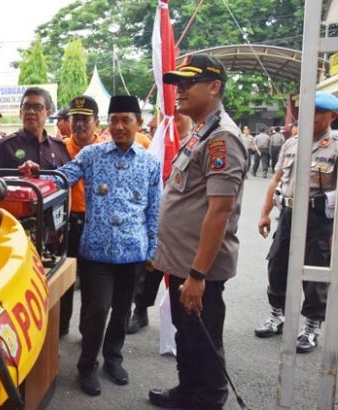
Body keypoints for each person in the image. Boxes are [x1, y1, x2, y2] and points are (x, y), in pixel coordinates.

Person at [21, 95, 160, 395]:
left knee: (122, 310)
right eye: (116, 120)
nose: (121, 126)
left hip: (132, 251)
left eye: (127, 120)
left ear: (137, 123)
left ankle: (113, 358)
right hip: (96, 250)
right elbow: (62, 178)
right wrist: (38, 173)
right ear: (108, 123)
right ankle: (87, 365)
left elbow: (154, 209)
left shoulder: (150, 162)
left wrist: (152, 251)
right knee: (97, 309)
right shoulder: (92, 155)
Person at [149, 54, 246, 410]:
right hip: (181, 264)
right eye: (179, 83)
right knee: (186, 336)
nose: (181, 89)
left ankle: (206, 400)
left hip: (197, 269)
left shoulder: (221, 139)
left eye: (189, 83)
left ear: (215, 87)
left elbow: (219, 211)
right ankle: (186, 392)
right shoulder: (201, 132)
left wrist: (198, 275)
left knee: (203, 342)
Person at [254, 92, 338, 354]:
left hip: (319, 219)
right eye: (307, 111)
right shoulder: (291, 143)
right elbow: (275, 179)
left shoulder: (335, 145)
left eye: (319, 112)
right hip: (288, 215)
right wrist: (265, 213)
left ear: (332, 116)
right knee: (277, 264)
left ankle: (311, 327)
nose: (311, 117)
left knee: (315, 272)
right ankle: (276, 316)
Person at [127, 111, 193, 334]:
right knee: (150, 269)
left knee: (181, 274)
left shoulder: (197, 142)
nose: (174, 118)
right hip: (157, 216)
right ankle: (140, 310)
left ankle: (181, 319)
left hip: (183, 222)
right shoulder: (159, 145)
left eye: (179, 114)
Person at [58, 95, 106, 338]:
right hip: (67, 225)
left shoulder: (106, 151)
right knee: (64, 281)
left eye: (85, 119)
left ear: (96, 121)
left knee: (92, 284)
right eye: (75, 118)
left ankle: (88, 332)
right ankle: (61, 328)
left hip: (95, 224)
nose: (79, 124)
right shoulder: (59, 149)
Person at [0, 87, 70, 170]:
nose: (31, 111)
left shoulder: (58, 147)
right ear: (20, 113)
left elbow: (68, 179)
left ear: (48, 113)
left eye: (38, 107)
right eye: (26, 107)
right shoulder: (5, 146)